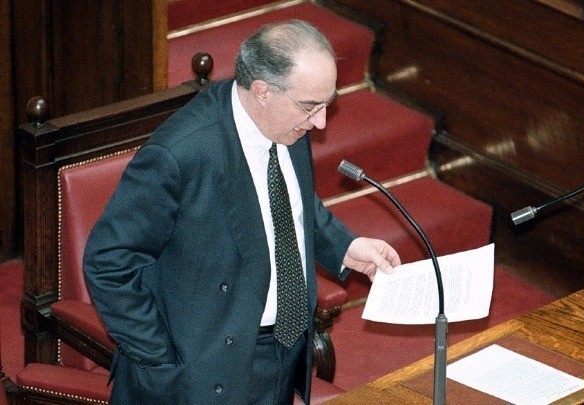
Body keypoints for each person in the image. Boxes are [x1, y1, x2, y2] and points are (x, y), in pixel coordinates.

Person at [83, 20, 400, 404]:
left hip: (280, 352)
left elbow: (290, 204)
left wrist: (345, 247)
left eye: (327, 103)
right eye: (311, 106)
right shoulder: (180, 153)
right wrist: (162, 361)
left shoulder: (288, 124)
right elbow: (108, 262)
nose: (320, 121)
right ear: (262, 91)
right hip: (200, 372)